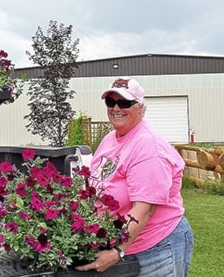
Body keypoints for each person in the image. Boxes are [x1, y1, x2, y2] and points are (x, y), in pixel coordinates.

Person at [76, 77, 194, 276]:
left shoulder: (147, 146)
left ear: (140, 107)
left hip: (158, 247)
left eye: (124, 103)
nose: (116, 108)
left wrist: (117, 251)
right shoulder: (109, 139)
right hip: (128, 241)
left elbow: (144, 209)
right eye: (110, 102)